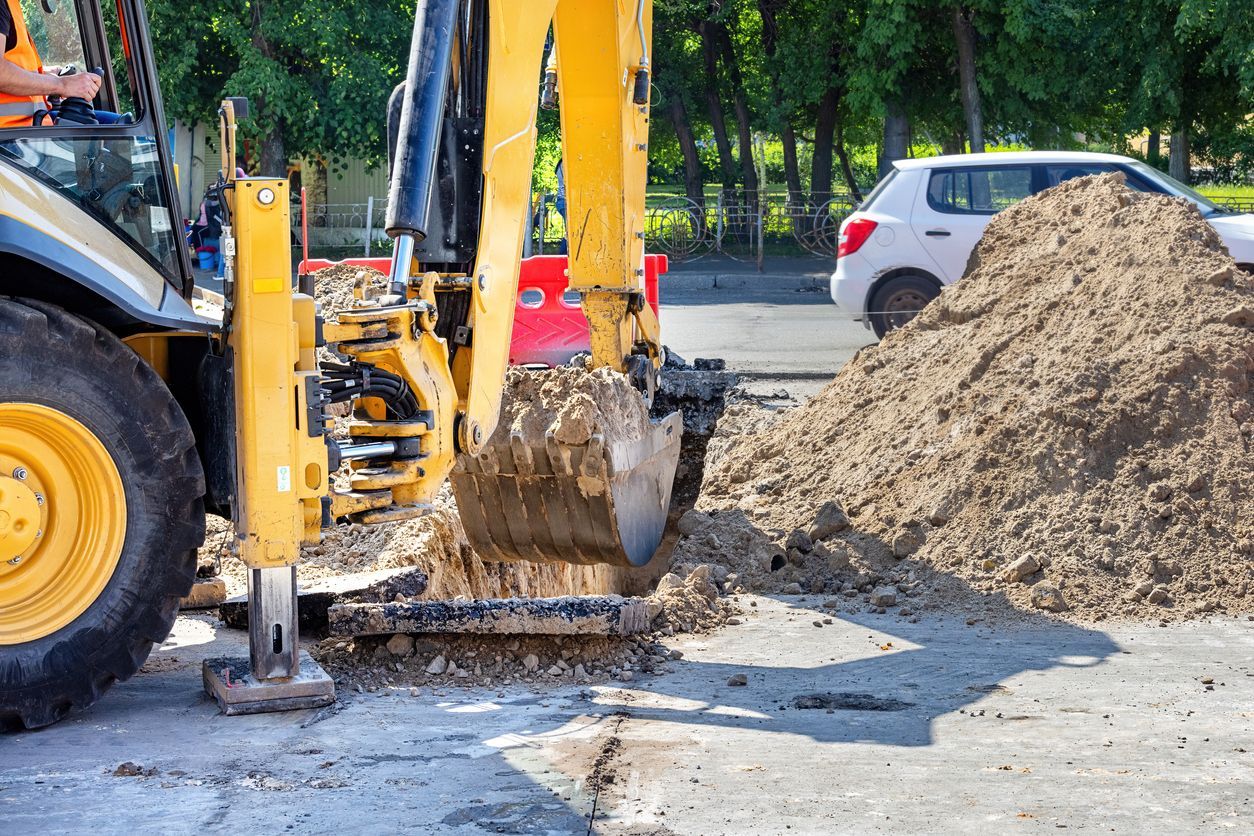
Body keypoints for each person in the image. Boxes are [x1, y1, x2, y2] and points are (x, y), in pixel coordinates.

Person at [0, 0, 107, 128]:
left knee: (117, 124)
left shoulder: (12, 5)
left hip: (31, 126)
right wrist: (62, 85)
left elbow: (11, 62)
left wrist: (47, 75)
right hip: (11, 137)